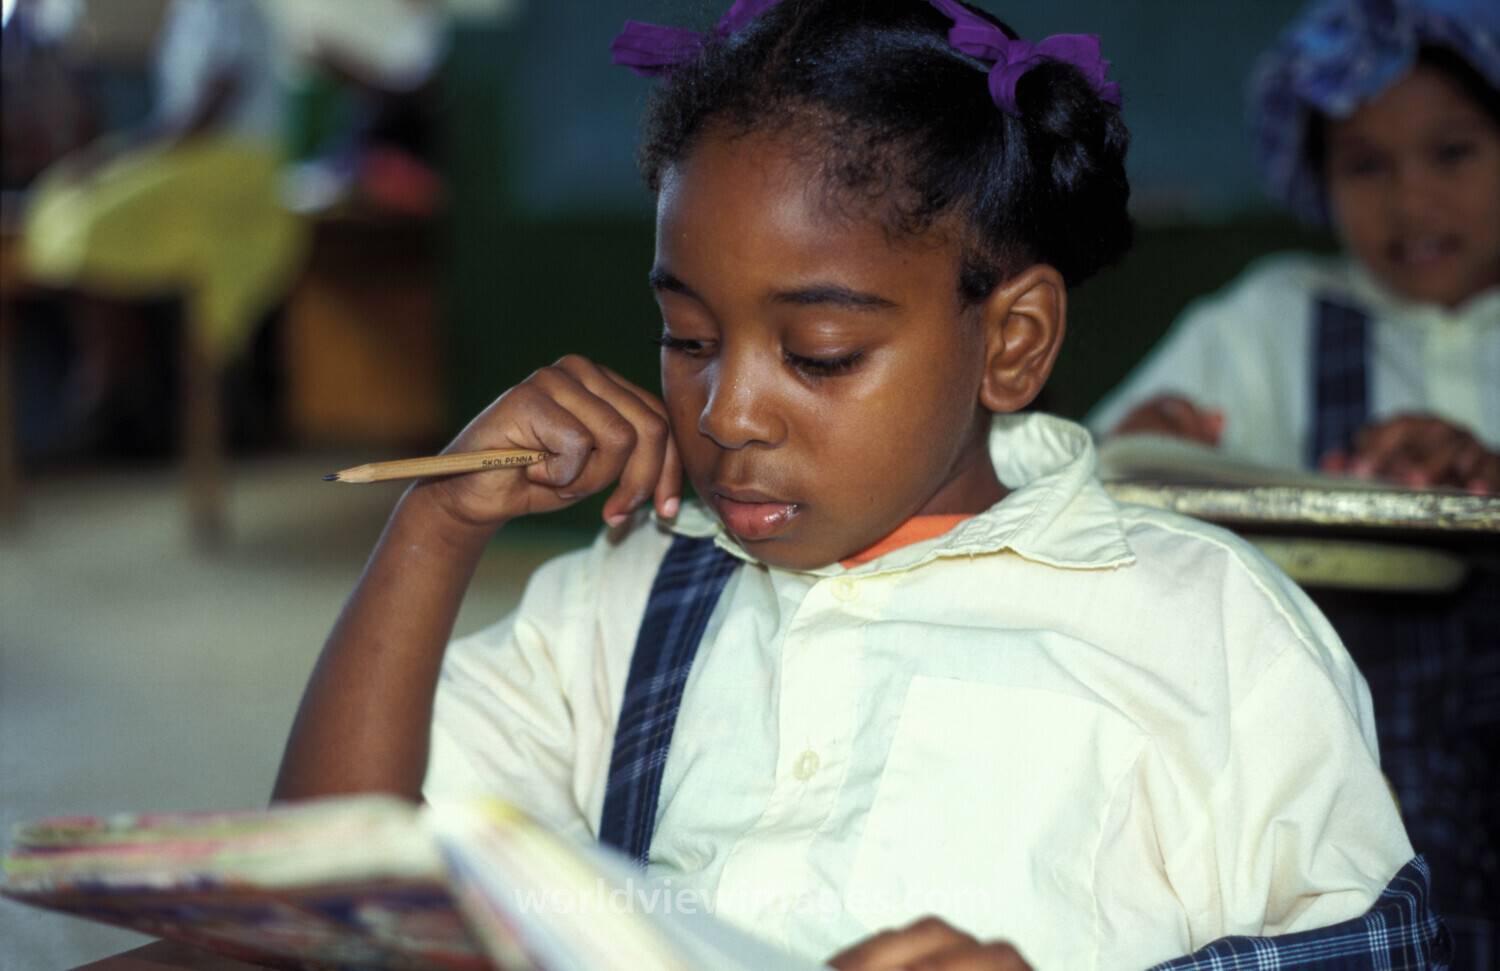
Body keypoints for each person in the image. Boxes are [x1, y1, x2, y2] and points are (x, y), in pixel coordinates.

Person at [273, 2, 1446, 969]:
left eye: (819, 353)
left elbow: (1376, 949)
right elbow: (314, 896)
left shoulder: (1207, 627)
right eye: (686, 338)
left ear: (1014, 339)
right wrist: (433, 526)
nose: (726, 412)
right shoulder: (631, 603)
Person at [1086, 1, 1497, 966]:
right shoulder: (1272, 316)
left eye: (1452, 153)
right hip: (1338, 734)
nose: (1409, 199)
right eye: (1365, 165)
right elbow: (1102, 466)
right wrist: (1149, 440)